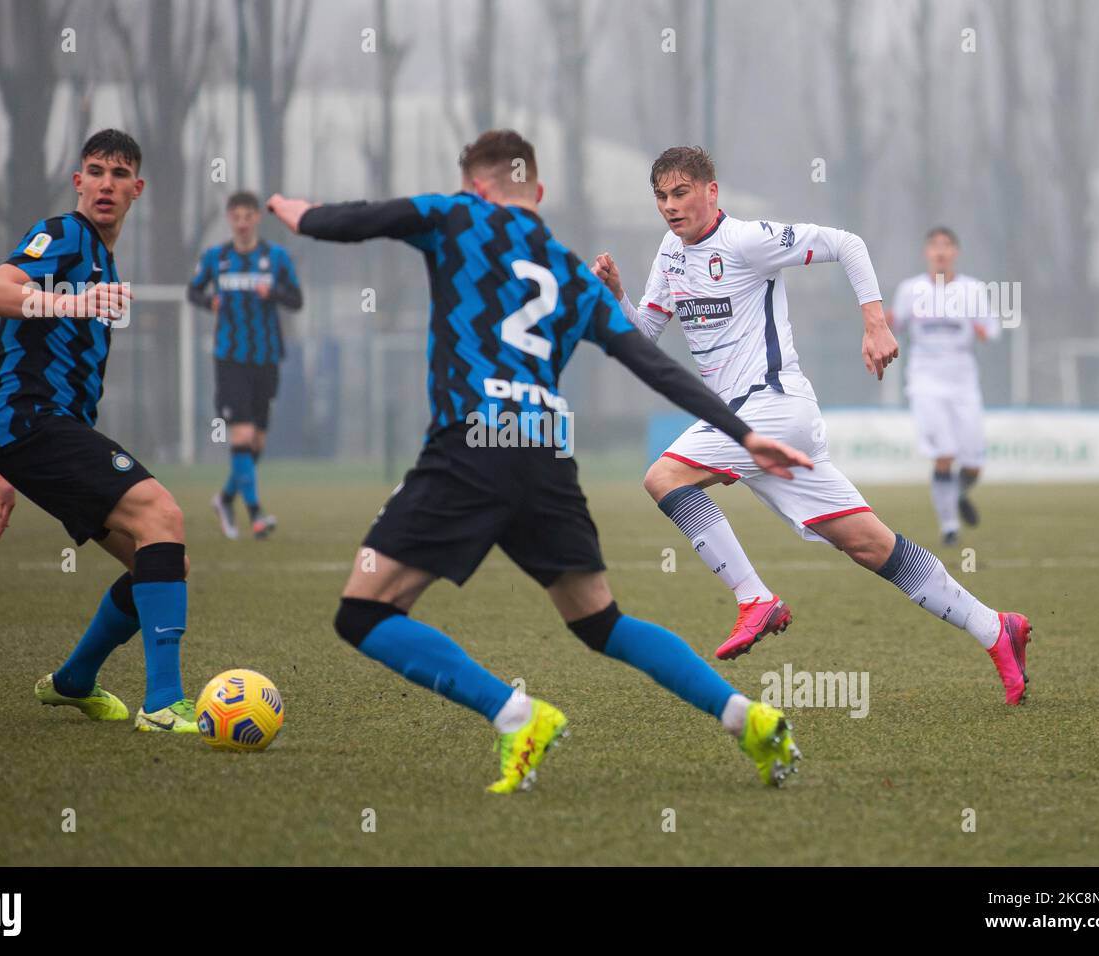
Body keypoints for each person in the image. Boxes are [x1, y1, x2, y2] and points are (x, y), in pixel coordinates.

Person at [268, 129, 815, 791]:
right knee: (600, 620)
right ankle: (745, 716)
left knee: (363, 611)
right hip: (546, 455)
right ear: (541, 193)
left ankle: (514, 713)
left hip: (474, 445)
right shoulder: (566, 268)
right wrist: (742, 431)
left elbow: (357, 221)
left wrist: (298, 211)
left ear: (476, 186)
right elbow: (649, 363)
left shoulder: (456, 215)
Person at [592, 146, 1030, 705]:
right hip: (754, 425)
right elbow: (644, 335)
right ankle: (996, 629)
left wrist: (875, 324)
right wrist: (618, 298)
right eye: (661, 197)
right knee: (871, 546)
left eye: (681, 193)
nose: (670, 207)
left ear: (711, 191)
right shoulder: (671, 253)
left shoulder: (747, 241)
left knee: (663, 477)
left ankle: (755, 599)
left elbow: (847, 243)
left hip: (771, 405)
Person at [0, 129, 196, 733]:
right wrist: (75, 302)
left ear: (136, 189)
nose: (106, 184)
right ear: (78, 182)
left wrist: (5, 467)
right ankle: (164, 705)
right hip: (31, 425)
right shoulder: (66, 236)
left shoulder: (104, 260)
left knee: (162, 559)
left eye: (120, 175)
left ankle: (73, 681)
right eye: (95, 171)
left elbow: (59, 369)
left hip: (38, 434)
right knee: (162, 517)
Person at [189, 191, 303, 540]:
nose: (241, 222)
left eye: (247, 216)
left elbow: (297, 300)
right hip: (230, 358)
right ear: (229, 219)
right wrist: (210, 301)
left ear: (256, 218)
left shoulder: (276, 257)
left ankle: (224, 499)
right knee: (242, 434)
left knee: (257, 443)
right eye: (235, 216)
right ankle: (255, 515)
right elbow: (193, 292)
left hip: (266, 358)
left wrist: (276, 295)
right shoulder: (215, 258)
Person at [887, 227, 1001, 545]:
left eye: (946, 245)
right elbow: (894, 326)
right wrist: (885, 322)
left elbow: (992, 329)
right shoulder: (910, 290)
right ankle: (949, 525)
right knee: (944, 454)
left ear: (955, 252)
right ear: (926, 252)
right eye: (934, 245)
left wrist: (983, 331)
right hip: (925, 379)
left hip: (963, 380)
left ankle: (959, 494)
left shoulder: (973, 289)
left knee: (974, 463)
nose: (940, 251)